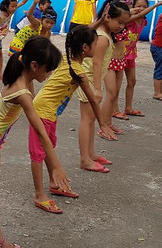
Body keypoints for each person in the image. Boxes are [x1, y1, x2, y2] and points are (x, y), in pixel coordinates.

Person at [0, 36, 69, 248]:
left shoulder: (22, 78)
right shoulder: (22, 91)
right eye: (48, 70)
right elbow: (40, 131)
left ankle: (0, 240)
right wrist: (55, 165)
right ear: (35, 66)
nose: (48, 76)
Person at [32, 26, 116, 203]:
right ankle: (40, 194)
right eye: (95, 43)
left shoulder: (67, 59)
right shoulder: (78, 71)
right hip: (43, 111)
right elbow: (93, 100)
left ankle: (54, 183)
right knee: (38, 153)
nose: (97, 46)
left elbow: (80, 33)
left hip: (48, 110)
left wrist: (98, 21)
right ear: (85, 48)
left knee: (47, 148)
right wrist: (103, 125)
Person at [114, 0, 162, 119]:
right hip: (120, 54)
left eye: (144, 6)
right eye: (138, 6)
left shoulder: (143, 21)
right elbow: (137, 14)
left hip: (131, 54)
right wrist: (157, 5)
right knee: (116, 84)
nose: (141, 8)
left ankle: (128, 108)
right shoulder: (129, 19)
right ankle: (114, 109)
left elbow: (141, 15)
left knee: (132, 81)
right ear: (133, 7)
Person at [84, 0, 130, 147]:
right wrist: (97, 88)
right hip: (90, 80)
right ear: (108, 17)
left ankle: (91, 152)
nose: (121, 27)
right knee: (88, 119)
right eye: (120, 22)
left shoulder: (106, 34)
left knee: (90, 118)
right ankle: (87, 156)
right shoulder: (102, 37)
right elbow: (96, 63)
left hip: (92, 78)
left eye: (124, 24)